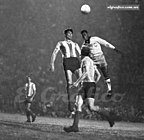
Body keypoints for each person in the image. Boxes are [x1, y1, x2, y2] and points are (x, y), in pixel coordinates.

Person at [63, 47, 115, 133]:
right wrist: (93, 83)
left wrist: (76, 83)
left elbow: (86, 72)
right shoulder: (91, 61)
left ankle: (108, 115)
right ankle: (75, 126)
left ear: (82, 53)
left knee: (91, 107)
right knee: (78, 104)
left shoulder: (85, 60)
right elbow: (98, 75)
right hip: (89, 84)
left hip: (87, 85)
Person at [80, 30, 122, 97]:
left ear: (87, 34)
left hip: (101, 58)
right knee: (90, 76)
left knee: (105, 74)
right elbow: (82, 54)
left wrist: (114, 48)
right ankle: (88, 92)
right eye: (83, 35)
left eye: (85, 34)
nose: (84, 36)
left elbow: (105, 43)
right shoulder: (84, 45)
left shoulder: (95, 39)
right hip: (93, 61)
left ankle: (109, 90)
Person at [49, 28, 81, 112]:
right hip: (67, 61)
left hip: (75, 61)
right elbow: (54, 53)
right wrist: (52, 63)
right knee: (69, 83)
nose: (70, 35)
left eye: (71, 33)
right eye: (68, 33)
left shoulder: (75, 44)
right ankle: (71, 104)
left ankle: (78, 101)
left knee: (81, 81)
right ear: (65, 35)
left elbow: (81, 54)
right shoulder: (61, 43)